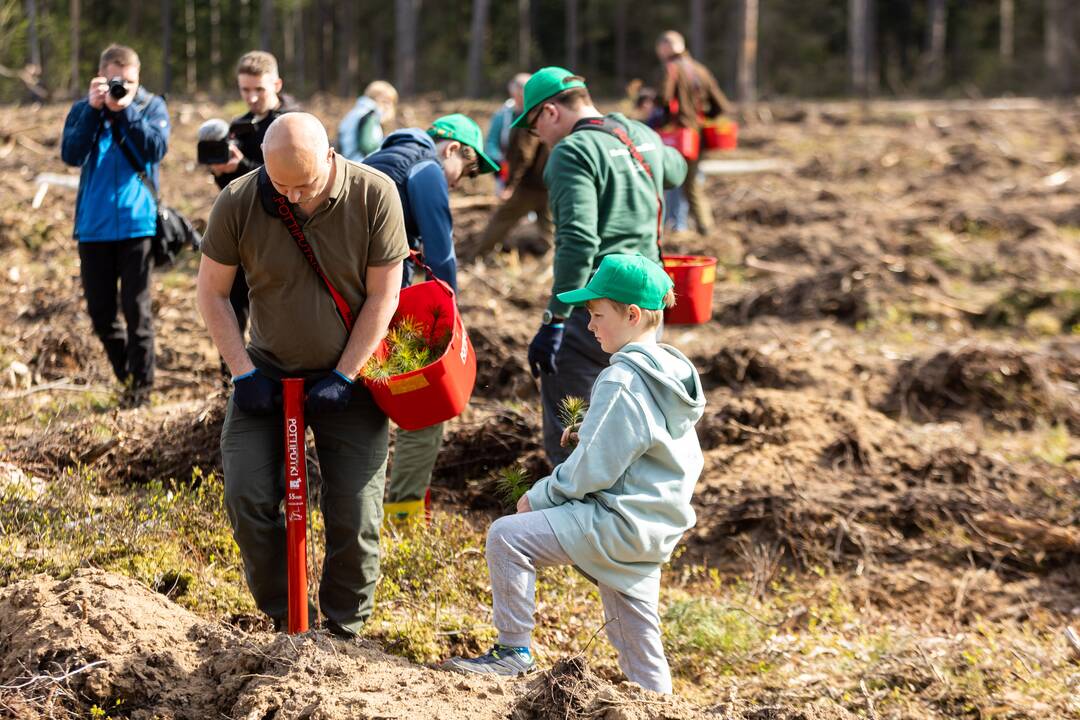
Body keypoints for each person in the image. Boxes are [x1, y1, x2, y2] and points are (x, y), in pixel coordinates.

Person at [443, 254, 706, 694]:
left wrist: (544, 495)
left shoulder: (622, 378)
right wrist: (592, 429)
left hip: (616, 520)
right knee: (638, 641)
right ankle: (659, 704)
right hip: (651, 525)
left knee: (507, 537)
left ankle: (512, 653)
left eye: (597, 315)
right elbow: (647, 442)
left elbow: (594, 468)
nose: (590, 326)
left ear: (633, 315)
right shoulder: (670, 374)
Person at [196, 113, 409, 637]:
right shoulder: (241, 200)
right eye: (280, 185)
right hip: (266, 373)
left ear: (331, 158)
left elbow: (385, 295)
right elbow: (212, 293)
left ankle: (342, 631)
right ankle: (286, 619)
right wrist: (243, 373)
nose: (290, 197)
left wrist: (345, 373)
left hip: (350, 380)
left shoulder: (374, 195)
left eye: (303, 185)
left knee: (355, 517)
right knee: (246, 496)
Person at [511, 66, 687, 465]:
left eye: (535, 126)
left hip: (597, 306)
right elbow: (677, 168)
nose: (538, 137)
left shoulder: (572, 153)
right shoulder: (638, 134)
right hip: (647, 302)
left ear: (551, 112)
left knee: (574, 428)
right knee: (635, 408)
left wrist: (555, 319)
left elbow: (578, 241)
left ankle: (577, 514)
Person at [362, 114, 499, 522]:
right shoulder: (426, 166)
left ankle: (363, 512)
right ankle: (404, 515)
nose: (460, 182)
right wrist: (447, 317)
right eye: (468, 170)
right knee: (423, 397)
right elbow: (441, 253)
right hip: (383, 299)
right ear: (452, 149)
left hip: (345, 298)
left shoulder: (376, 158)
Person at [61, 44, 170, 407]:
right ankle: (127, 377)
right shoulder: (83, 108)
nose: (123, 88)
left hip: (137, 224)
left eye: (130, 82)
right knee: (101, 313)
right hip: (94, 226)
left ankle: (141, 393)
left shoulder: (151, 108)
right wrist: (94, 111)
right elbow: (71, 155)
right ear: (101, 77)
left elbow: (155, 149)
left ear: (139, 80)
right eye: (115, 82)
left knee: (137, 311)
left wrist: (125, 112)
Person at [206, 50, 299, 340]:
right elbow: (231, 188)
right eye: (245, 89)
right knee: (233, 301)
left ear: (277, 85)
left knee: (278, 306)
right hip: (243, 226)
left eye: (259, 89)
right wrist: (221, 170)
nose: (252, 97)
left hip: (286, 227)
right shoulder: (238, 126)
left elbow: (293, 177)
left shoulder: (292, 124)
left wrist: (243, 166)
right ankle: (233, 373)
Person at [652, 30, 731, 236]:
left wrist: (661, 117)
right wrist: (700, 116)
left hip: (678, 137)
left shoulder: (671, 69)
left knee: (672, 182)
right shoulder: (700, 70)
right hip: (699, 137)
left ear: (665, 47)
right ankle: (704, 229)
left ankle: (677, 229)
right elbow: (720, 105)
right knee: (694, 183)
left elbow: (662, 99)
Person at [473, 74, 553, 258]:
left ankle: (477, 256)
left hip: (529, 184)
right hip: (544, 181)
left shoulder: (530, 118)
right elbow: (493, 141)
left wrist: (510, 185)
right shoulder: (509, 114)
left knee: (502, 220)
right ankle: (547, 258)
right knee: (548, 224)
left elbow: (523, 155)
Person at [485, 73, 530, 194]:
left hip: (533, 175)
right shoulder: (502, 116)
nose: (523, 94)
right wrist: (500, 161)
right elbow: (491, 142)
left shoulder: (537, 115)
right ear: (514, 92)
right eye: (520, 89)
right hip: (506, 171)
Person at [337, 80, 399, 162]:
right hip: (361, 163)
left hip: (348, 161)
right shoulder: (370, 115)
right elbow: (367, 145)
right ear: (377, 98)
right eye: (386, 101)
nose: (389, 106)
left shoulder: (355, 112)